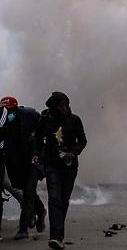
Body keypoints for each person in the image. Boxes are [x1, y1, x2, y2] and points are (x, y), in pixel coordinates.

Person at [33, 92, 87, 250]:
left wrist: (73, 152)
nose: (65, 108)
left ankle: (57, 232)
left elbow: (83, 140)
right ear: (53, 107)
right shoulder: (44, 120)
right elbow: (37, 139)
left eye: (67, 104)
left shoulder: (75, 120)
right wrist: (36, 154)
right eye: (61, 105)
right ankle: (56, 237)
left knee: (63, 200)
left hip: (70, 167)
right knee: (54, 199)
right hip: (51, 166)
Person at [0, 96, 46, 240]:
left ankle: (23, 228)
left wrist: (38, 150)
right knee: (26, 190)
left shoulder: (29, 114)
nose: (6, 113)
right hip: (15, 163)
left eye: (8, 109)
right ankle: (41, 210)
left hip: (32, 160)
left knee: (28, 192)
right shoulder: (4, 122)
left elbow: (43, 128)